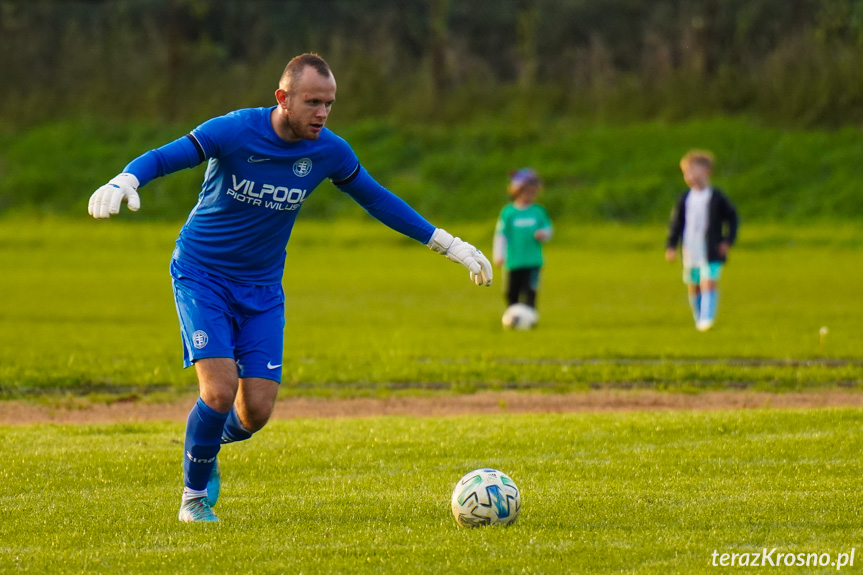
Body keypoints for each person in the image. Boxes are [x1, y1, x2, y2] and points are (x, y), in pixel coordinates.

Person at [87, 53, 492, 523]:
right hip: (202, 274)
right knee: (219, 391)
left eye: (329, 104)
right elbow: (168, 155)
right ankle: (193, 500)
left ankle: (206, 442)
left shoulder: (329, 152)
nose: (322, 113)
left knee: (255, 411)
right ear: (283, 98)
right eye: (313, 102)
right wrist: (127, 177)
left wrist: (448, 244)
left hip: (262, 288)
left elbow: (378, 199)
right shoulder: (236, 130)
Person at [665, 150, 738, 331]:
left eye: (692, 171)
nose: (689, 176)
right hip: (691, 247)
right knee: (694, 284)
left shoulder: (716, 197)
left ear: (706, 172)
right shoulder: (685, 198)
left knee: (708, 280)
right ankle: (698, 317)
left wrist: (727, 240)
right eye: (686, 173)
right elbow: (676, 223)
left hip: (711, 248)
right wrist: (671, 245)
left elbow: (732, 218)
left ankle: (707, 318)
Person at [492, 168, 552, 315]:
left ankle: (530, 318)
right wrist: (498, 255)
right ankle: (513, 316)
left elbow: (548, 230)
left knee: (530, 292)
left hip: (532, 261)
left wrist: (543, 234)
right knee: (511, 292)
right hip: (513, 261)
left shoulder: (538, 211)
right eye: (526, 192)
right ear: (517, 191)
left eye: (532, 192)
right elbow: (501, 235)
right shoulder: (509, 213)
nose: (529, 195)